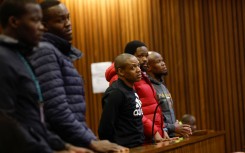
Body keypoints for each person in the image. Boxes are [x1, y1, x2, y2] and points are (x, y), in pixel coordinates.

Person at [28, 1, 128, 152]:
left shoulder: (58, 52)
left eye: (68, 18)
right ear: (44, 25)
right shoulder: (45, 51)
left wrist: (90, 139)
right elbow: (56, 109)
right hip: (61, 145)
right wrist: (90, 141)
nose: (68, 24)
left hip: (71, 141)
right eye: (60, 20)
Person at [0, 0, 92, 153]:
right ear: (14, 21)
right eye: (36, 21)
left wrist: (65, 147)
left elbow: (34, 121)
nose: (42, 27)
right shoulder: (4, 58)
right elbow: (7, 122)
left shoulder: (20, 56)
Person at [105, 40, 169, 143]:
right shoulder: (122, 79)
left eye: (146, 55)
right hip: (140, 137)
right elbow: (134, 110)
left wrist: (162, 129)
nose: (144, 59)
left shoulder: (143, 75)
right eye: (140, 56)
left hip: (154, 135)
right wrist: (154, 132)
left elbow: (153, 107)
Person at [98, 53, 144, 147]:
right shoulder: (116, 92)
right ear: (121, 71)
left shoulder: (131, 88)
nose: (139, 70)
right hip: (124, 147)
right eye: (133, 67)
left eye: (138, 66)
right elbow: (105, 127)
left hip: (138, 145)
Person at [147, 51, 192, 138]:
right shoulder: (149, 87)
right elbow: (151, 119)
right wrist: (173, 127)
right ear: (148, 67)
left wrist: (177, 126)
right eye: (158, 61)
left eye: (162, 60)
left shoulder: (162, 86)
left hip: (170, 135)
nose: (163, 63)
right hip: (159, 137)